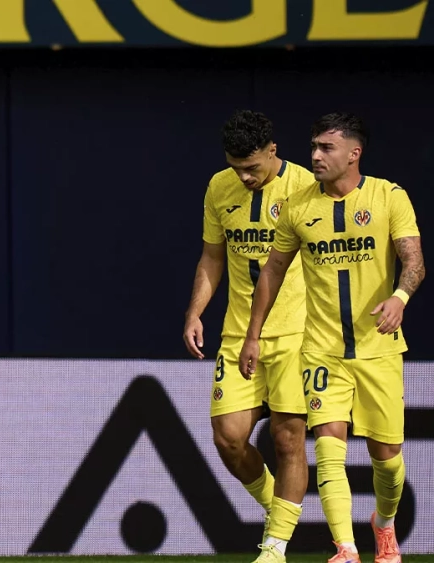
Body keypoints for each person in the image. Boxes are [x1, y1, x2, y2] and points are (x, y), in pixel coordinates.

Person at [240, 113, 424, 563]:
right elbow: (272, 273)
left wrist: (399, 297)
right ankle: (345, 549)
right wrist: (253, 334)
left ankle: (383, 524)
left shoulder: (388, 196)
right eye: (314, 147)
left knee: (388, 462)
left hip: (379, 349)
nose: (315, 156)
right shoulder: (299, 207)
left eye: (326, 148)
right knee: (327, 447)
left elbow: (414, 261)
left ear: (353, 154)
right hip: (321, 349)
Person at [184, 110, 314, 562]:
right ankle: (281, 509)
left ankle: (275, 547)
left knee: (288, 438)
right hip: (239, 334)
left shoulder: (303, 187)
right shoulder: (220, 187)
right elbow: (212, 256)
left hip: (297, 333)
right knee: (229, 437)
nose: (245, 176)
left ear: (273, 151)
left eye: (253, 167)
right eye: (236, 166)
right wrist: (195, 312)